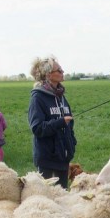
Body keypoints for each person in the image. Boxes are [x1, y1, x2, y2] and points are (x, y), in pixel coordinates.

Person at [28, 56, 76, 188]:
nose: (62, 72)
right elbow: (37, 128)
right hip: (47, 160)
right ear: (48, 74)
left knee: (63, 197)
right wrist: (60, 122)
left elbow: (69, 125)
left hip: (63, 158)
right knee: (48, 198)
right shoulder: (38, 97)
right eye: (58, 70)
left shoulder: (61, 96)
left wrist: (72, 144)